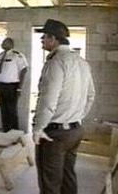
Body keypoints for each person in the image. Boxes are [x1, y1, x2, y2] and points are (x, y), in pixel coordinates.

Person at [32, 19, 96, 194]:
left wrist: (38, 128)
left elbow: (48, 100)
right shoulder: (81, 62)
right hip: (74, 131)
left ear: (53, 38)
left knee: (50, 183)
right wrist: (76, 117)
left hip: (54, 134)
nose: (42, 40)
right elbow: (91, 96)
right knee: (68, 178)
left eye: (44, 37)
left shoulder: (56, 62)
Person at [0, 37, 28, 132]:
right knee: (3, 109)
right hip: (0, 85)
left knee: (12, 110)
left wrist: (19, 88)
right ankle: (6, 131)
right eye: (2, 42)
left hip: (11, 86)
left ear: (11, 44)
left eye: (5, 42)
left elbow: (24, 70)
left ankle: (15, 132)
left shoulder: (17, 56)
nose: (2, 43)